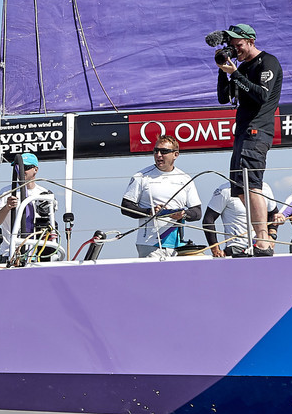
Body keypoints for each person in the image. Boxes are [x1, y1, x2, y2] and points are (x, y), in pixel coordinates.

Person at [216, 23, 281, 255]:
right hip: (242, 133)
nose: (236, 50)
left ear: (251, 41)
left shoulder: (267, 62)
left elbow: (262, 95)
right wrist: (223, 69)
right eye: (232, 47)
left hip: (257, 131)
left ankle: (263, 240)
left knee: (252, 185)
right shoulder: (239, 67)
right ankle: (259, 235)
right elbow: (223, 98)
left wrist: (235, 73)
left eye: (239, 46)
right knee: (240, 189)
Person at [119, 136, 202, 257]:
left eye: (164, 151)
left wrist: (183, 214)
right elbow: (125, 207)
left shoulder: (185, 178)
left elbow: (197, 212)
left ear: (176, 154)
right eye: (155, 151)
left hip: (177, 245)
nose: (158, 155)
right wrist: (150, 211)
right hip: (149, 243)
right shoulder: (141, 176)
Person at [0, 152, 58, 262]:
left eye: (25, 167)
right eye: (17, 167)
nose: (20, 170)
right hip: (9, 254)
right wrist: (7, 207)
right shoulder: (6, 192)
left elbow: (51, 225)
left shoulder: (46, 194)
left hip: (37, 256)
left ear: (35, 169)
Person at [202, 180, 277, 258]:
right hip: (236, 248)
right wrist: (215, 250)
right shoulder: (225, 190)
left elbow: (273, 213)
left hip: (262, 247)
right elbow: (208, 220)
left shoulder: (265, 188)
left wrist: (272, 235)